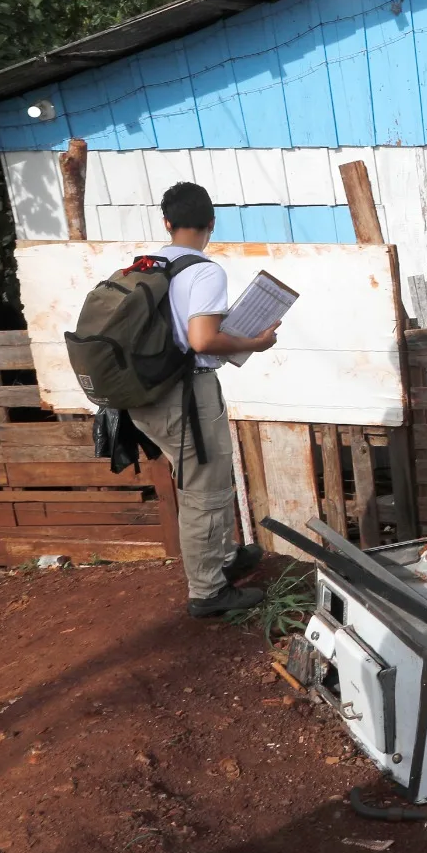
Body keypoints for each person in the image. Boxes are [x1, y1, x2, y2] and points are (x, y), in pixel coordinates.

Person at [131, 182, 281, 618]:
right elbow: (202, 340)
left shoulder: (147, 265)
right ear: (211, 223)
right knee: (204, 489)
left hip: (145, 392)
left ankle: (224, 558)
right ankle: (208, 591)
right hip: (185, 392)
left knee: (202, 478)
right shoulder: (204, 271)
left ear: (167, 222)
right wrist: (255, 342)